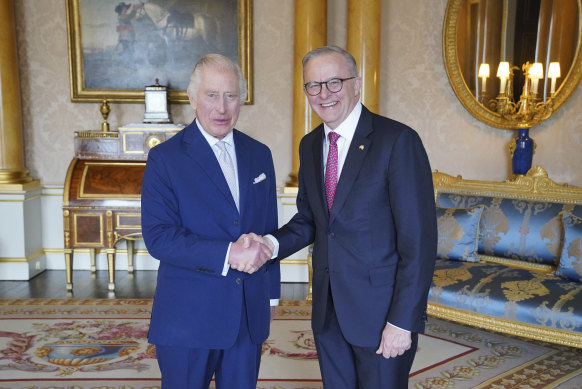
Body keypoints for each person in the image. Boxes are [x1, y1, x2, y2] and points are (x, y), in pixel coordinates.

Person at [246, 45, 437, 388]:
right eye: (313, 86)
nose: (324, 94)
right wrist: (269, 244)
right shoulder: (309, 144)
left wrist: (402, 321)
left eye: (334, 82)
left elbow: (419, 242)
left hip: (381, 315)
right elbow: (311, 220)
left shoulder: (397, 141)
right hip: (328, 312)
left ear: (356, 83)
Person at [141, 53, 280, 388]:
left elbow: (269, 229)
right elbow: (159, 237)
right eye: (212, 95)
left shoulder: (260, 153)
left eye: (231, 96)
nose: (222, 107)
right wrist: (228, 254)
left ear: (241, 100)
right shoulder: (165, 158)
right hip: (188, 318)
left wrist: (270, 297)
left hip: (247, 315)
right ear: (192, 99)